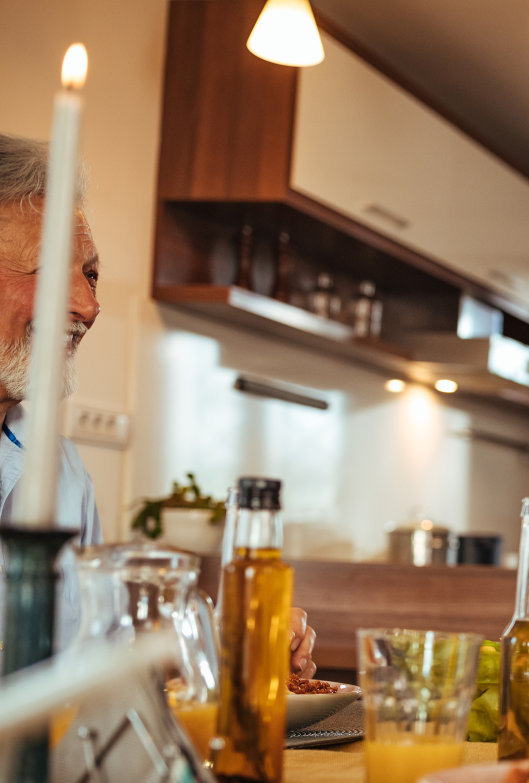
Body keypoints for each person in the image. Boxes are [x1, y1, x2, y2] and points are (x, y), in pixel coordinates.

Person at [0, 132, 316, 673]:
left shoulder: (62, 468)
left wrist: (225, 648)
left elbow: (96, 668)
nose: (89, 306)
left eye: (91, 276)